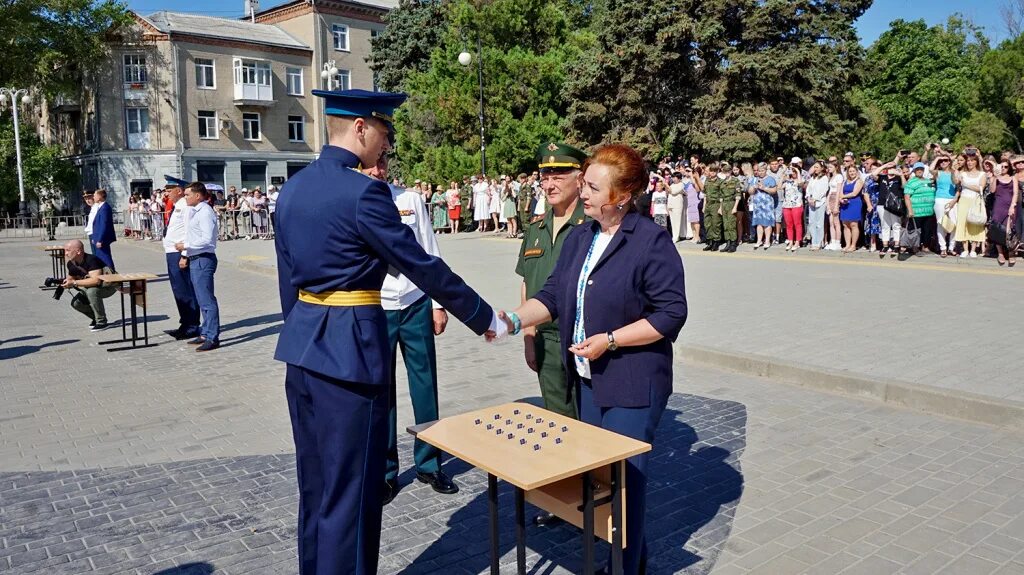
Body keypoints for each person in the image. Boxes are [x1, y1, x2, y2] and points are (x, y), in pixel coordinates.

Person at [274, 89, 504, 575]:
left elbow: (285, 280)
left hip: (303, 350)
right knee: (352, 491)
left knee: (315, 487)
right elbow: (422, 266)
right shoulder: (364, 193)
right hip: (352, 356)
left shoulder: (293, 189)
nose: (387, 146)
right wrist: (485, 318)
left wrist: (302, 332)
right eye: (384, 133)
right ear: (359, 129)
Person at [499, 143, 687, 575]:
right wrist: (510, 321)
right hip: (588, 380)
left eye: (592, 187)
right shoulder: (583, 236)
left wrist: (611, 340)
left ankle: (623, 567)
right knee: (602, 480)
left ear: (622, 196)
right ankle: (627, 562)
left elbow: (671, 313)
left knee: (625, 484)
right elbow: (551, 296)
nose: (582, 193)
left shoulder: (649, 241)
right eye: (583, 183)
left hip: (632, 384)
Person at [358, 159, 460, 506]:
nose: (377, 170)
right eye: (369, 166)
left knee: (425, 385)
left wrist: (437, 303)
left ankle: (429, 463)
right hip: (377, 304)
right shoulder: (356, 202)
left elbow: (429, 250)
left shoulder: (410, 199)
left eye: (382, 164)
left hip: (415, 300)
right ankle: (386, 473)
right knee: (381, 390)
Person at [175, 182, 220, 352]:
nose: (185, 197)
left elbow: (207, 239)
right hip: (196, 257)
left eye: (187, 194)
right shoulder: (196, 211)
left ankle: (212, 336)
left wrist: (185, 245)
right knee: (202, 299)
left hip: (203, 258)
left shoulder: (205, 212)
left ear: (198, 196)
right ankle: (205, 332)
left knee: (207, 300)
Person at [162, 181, 201, 340]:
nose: (166, 193)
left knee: (184, 290)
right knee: (178, 290)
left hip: (179, 253)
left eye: (169, 190)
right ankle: (185, 323)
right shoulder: (178, 204)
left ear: (179, 190)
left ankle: (191, 326)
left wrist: (185, 255)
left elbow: (188, 231)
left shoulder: (185, 206)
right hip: (171, 251)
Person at [60, 239, 117, 331]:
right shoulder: (71, 263)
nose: (65, 253)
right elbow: (71, 278)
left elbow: (96, 281)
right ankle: (95, 317)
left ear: (78, 251)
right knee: (76, 303)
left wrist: (74, 283)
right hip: (91, 287)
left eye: (68, 250)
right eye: (65, 250)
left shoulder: (91, 260)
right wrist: (63, 282)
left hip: (108, 286)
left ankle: (102, 321)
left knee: (91, 291)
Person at [951, 151, 987, 258]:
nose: (970, 163)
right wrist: (954, 170)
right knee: (962, 223)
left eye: (972, 161)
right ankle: (965, 249)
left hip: (976, 201)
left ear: (976, 162)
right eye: (968, 161)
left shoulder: (982, 174)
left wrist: (966, 184)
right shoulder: (963, 173)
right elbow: (955, 181)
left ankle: (973, 249)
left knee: (975, 222)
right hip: (964, 200)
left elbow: (980, 188)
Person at [870, 158, 906, 256]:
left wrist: (901, 174)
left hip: (895, 204)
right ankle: (885, 245)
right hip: (882, 204)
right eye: (889, 167)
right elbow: (873, 174)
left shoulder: (898, 178)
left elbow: (904, 186)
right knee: (885, 225)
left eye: (893, 167)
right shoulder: (882, 177)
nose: (891, 169)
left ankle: (896, 245)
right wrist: (884, 166)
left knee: (896, 225)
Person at [702, 162, 740, 252]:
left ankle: (733, 243)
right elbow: (721, 196)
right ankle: (727, 243)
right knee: (725, 224)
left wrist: (735, 207)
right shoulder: (722, 182)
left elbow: (738, 194)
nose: (727, 173)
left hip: (730, 203)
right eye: (725, 171)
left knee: (730, 224)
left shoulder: (735, 181)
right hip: (722, 204)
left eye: (728, 171)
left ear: (731, 171)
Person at [989, 159, 1020, 266]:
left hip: (1010, 206)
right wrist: (995, 177)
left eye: (1005, 167)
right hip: (998, 205)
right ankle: (1000, 253)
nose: (1003, 168)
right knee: (997, 229)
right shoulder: (996, 178)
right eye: (1001, 166)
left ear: (1009, 168)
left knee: (1009, 230)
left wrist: (1012, 206)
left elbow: (1016, 193)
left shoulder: (1013, 178)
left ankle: (1011, 253)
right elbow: (992, 191)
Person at [903, 162, 936, 256]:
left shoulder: (928, 181)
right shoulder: (911, 182)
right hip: (916, 211)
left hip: (928, 211)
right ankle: (914, 247)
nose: (919, 171)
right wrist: (910, 210)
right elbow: (907, 197)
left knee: (927, 231)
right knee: (915, 231)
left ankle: (925, 247)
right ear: (914, 171)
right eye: (917, 169)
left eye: (921, 169)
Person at [931, 154, 959, 256]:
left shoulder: (955, 172)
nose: (943, 162)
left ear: (949, 162)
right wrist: (937, 158)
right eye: (941, 161)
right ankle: (943, 248)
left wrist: (954, 200)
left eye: (945, 160)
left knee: (954, 224)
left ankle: (951, 247)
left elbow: (957, 184)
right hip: (940, 199)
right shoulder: (938, 173)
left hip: (952, 200)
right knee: (941, 224)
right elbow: (930, 169)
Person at [839, 165, 870, 253]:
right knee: (845, 224)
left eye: (853, 171)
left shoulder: (859, 181)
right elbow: (841, 192)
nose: (852, 173)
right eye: (850, 171)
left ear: (856, 171)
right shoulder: (845, 181)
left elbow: (854, 193)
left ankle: (853, 245)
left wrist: (843, 196)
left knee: (853, 224)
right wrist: (841, 199)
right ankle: (847, 244)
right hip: (844, 204)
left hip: (854, 203)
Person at [750, 163, 777, 249]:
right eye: (759, 171)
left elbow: (774, 190)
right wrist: (754, 188)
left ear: (766, 170)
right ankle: (759, 240)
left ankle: (767, 240)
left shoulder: (770, 179)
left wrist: (764, 188)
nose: (760, 173)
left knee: (767, 223)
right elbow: (750, 191)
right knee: (759, 223)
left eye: (762, 171)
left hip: (767, 204)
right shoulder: (754, 179)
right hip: (757, 204)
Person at [90, 189, 117, 271]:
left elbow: (104, 225)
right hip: (97, 237)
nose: (93, 197)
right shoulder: (100, 207)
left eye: (95, 195)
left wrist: (100, 239)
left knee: (105, 257)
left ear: (100, 196)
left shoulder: (105, 208)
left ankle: (111, 273)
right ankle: (106, 273)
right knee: (100, 257)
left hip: (102, 238)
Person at [805, 162, 829, 250]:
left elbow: (823, 190)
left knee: (819, 223)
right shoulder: (813, 178)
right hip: (811, 202)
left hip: (820, 202)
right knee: (812, 222)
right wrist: (808, 198)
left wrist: (815, 199)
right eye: (814, 167)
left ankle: (818, 242)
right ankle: (813, 241)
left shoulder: (824, 178)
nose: (815, 169)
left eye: (817, 167)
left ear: (822, 168)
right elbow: (808, 189)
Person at [780, 164, 805, 252]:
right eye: (792, 171)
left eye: (794, 171)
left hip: (797, 205)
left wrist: (797, 171)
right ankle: (790, 241)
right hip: (787, 205)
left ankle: (797, 241)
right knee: (789, 224)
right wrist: (783, 174)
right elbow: (779, 187)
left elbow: (801, 184)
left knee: (797, 224)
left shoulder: (799, 180)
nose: (793, 173)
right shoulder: (787, 181)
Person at [667, 172, 686, 242]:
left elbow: (673, 192)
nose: (673, 179)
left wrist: (666, 185)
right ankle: (674, 236)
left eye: (675, 177)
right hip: (671, 205)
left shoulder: (681, 185)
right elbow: (668, 193)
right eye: (673, 177)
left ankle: (676, 237)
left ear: (679, 178)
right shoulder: (672, 184)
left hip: (677, 205)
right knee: (672, 221)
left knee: (677, 221)